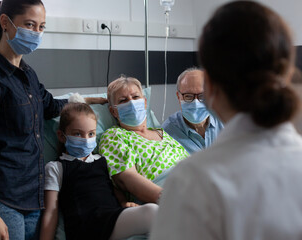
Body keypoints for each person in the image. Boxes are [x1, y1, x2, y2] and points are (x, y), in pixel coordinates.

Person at [150, 1, 302, 239]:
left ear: (210, 87)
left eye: (199, 94)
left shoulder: (194, 181)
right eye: (188, 96)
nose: (195, 101)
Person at [0, 1, 105, 239]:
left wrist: (91, 99)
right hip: (1, 201)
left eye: (41, 27)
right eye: (29, 25)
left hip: (33, 200)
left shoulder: (28, 75)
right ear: (5, 23)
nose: (36, 33)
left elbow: (51, 106)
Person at [40, 103, 158, 240]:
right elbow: (51, 212)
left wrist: (123, 202)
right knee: (153, 212)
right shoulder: (56, 168)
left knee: (158, 221)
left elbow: (112, 188)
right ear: (61, 135)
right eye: (78, 134)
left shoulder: (102, 161)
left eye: (91, 134)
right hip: (86, 226)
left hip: (111, 218)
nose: (86, 139)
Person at [99, 76, 189, 204]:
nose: (131, 102)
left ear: (145, 102)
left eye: (135, 97)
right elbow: (129, 179)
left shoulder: (161, 133)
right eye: (123, 100)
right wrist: (170, 200)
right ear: (114, 111)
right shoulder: (114, 136)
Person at [162, 67, 224, 154]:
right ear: (178, 97)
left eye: (202, 96)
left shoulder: (225, 122)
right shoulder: (168, 133)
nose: (196, 103)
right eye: (188, 96)